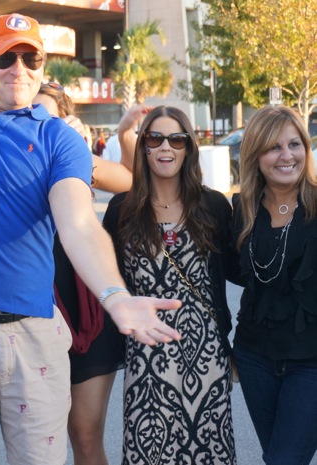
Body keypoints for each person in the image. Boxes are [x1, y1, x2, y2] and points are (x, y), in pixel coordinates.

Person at [0, 4, 181, 464]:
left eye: (31, 59)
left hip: (35, 336)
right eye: (7, 57)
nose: (19, 69)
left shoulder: (59, 139)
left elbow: (77, 222)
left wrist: (114, 294)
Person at [104, 106, 236, 464]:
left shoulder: (213, 205)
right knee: (150, 450)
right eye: (155, 138)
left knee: (207, 450)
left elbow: (240, 268)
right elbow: (105, 276)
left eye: (177, 139)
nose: (167, 147)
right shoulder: (122, 209)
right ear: (144, 146)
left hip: (205, 351)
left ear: (188, 147)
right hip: (147, 354)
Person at [33, 82, 150, 465]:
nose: (37, 122)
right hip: (28, 312)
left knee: (84, 436)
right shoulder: (3, 156)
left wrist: (123, 135)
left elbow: (134, 180)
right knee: (37, 444)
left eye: (47, 114)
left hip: (85, 308)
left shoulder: (74, 157)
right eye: (30, 113)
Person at [231, 105, 317, 464]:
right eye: (273, 147)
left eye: (294, 144)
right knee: (276, 458)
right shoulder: (240, 209)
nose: (286, 156)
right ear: (256, 155)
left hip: (312, 363)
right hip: (255, 359)